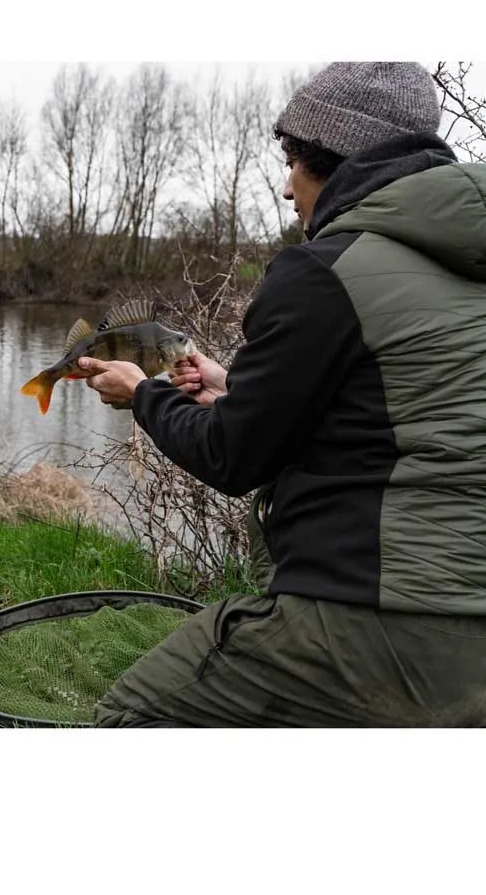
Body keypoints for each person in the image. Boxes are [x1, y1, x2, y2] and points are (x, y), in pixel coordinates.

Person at [78, 61, 486, 727]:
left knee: (131, 716)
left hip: (385, 617)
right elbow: (395, 414)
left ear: (333, 160)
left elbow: (232, 457)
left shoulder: (326, 272)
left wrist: (143, 395)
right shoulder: (466, 262)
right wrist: (238, 388)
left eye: (293, 162)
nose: (287, 185)